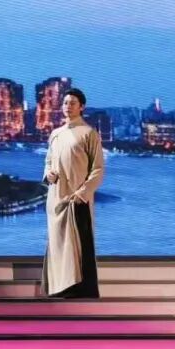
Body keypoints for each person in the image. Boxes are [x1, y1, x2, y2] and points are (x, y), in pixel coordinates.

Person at [42, 88, 105, 299]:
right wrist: (48, 173)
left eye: (72, 103)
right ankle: (57, 287)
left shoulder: (89, 133)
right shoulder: (55, 134)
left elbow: (98, 169)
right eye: (65, 103)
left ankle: (80, 290)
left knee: (78, 245)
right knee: (58, 243)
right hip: (56, 199)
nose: (68, 106)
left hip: (77, 200)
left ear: (82, 107)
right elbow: (48, 161)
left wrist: (82, 194)